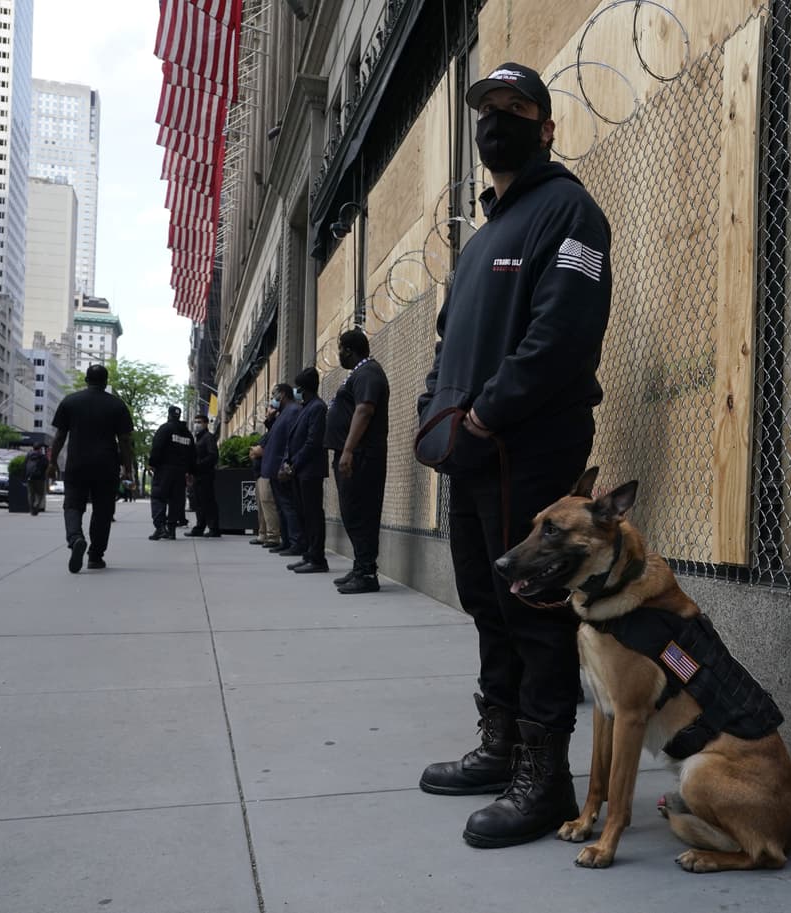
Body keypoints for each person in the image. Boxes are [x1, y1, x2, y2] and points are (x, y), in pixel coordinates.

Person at [415, 62, 613, 848]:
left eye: (515, 106)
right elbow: (445, 344)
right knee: (485, 602)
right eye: (488, 108)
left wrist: (489, 416)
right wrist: (437, 411)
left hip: (527, 449)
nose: (498, 119)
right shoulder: (481, 236)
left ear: (547, 125)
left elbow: (562, 336)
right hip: (469, 454)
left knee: (534, 611)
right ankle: (499, 746)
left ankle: (545, 779)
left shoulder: (570, 213)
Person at [49, 364, 135, 573]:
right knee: (103, 511)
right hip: (106, 465)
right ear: (106, 382)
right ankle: (95, 556)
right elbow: (124, 440)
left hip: (77, 463)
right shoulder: (117, 405)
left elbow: (60, 436)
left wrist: (52, 462)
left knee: (72, 505)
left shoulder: (70, 401)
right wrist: (127, 467)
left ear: (87, 380)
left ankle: (75, 538)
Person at [326, 328, 390, 594]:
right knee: (352, 513)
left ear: (349, 350)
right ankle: (360, 565)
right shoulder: (360, 373)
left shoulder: (368, 373)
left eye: (340, 349)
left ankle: (367, 573)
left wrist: (349, 450)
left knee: (360, 513)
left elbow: (364, 410)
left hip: (361, 457)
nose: (339, 354)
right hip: (353, 456)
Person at [280, 367, 328, 574]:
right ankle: (309, 554)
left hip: (310, 471)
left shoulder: (317, 407)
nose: (296, 392)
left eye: (298, 388)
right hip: (300, 471)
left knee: (313, 514)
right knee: (303, 514)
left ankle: (317, 558)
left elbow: (312, 442)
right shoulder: (305, 407)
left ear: (305, 389)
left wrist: (294, 464)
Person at [148, 405, 196, 540]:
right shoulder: (187, 434)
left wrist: (152, 463)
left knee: (158, 497)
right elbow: (193, 454)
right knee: (176, 500)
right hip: (181, 472)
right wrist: (191, 471)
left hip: (164, 470)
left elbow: (157, 447)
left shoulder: (165, 429)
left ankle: (160, 527)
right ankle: (172, 530)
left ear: (169, 415)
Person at [266, 383, 303, 555]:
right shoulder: (281, 414)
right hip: (273, 468)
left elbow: (291, 440)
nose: (273, 398)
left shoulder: (293, 411)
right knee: (281, 506)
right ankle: (286, 540)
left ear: (283, 394)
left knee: (288, 506)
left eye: (274, 394)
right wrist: (270, 418)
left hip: (282, 468)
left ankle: (295, 542)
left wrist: (285, 465)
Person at [184, 414, 221, 537]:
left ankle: (213, 528)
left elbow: (213, 456)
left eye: (199, 422)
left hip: (205, 475)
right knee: (199, 502)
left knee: (208, 501)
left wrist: (198, 465)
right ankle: (200, 526)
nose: (196, 424)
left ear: (205, 423)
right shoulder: (198, 439)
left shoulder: (208, 438)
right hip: (197, 475)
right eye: (195, 421)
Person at [249, 404, 277, 545]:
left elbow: (261, 451)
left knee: (267, 503)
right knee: (261, 505)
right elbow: (255, 451)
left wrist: (256, 451)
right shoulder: (269, 432)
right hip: (260, 473)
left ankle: (272, 536)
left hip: (266, 472)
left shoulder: (276, 430)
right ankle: (263, 534)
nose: (267, 412)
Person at [24, 442, 49, 516]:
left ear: (33, 448)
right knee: (40, 494)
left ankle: (32, 509)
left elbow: (24, 465)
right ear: (40, 449)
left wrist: (25, 476)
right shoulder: (42, 456)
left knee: (31, 494)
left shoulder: (28, 455)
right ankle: (36, 505)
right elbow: (46, 466)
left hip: (29, 477)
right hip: (40, 478)